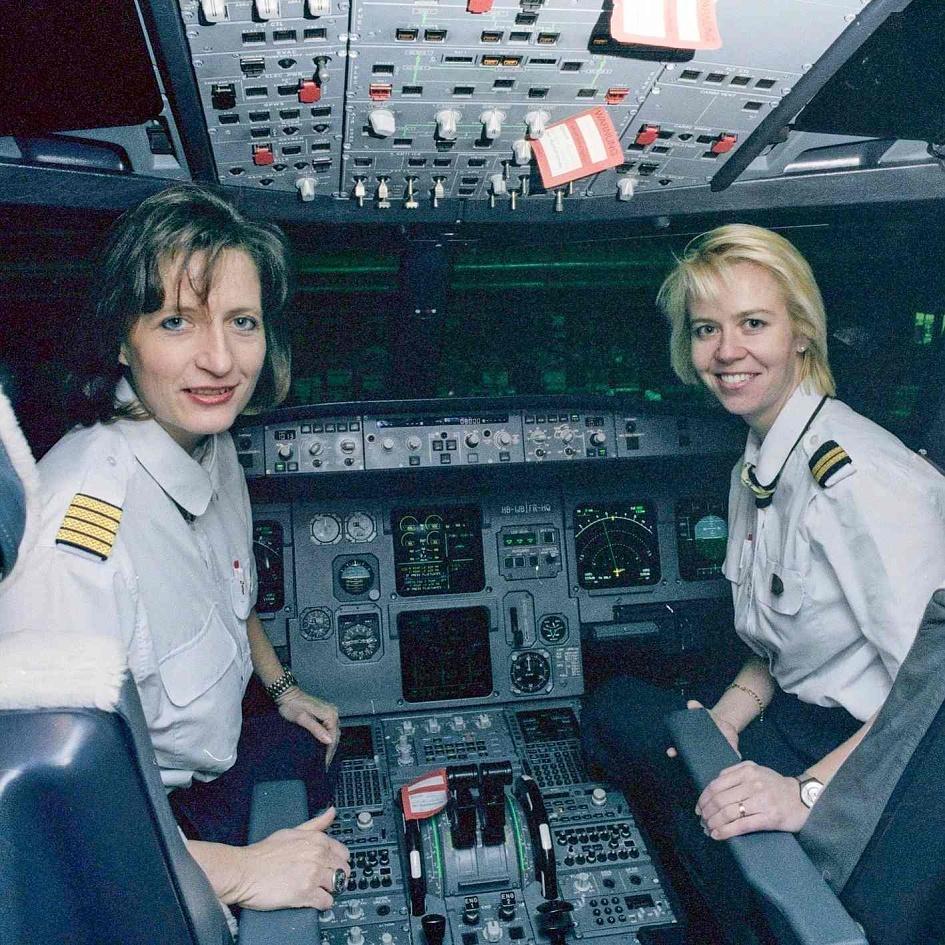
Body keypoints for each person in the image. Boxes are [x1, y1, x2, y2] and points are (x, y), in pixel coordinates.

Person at [582, 223, 945, 936]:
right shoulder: (761, 460)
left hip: (877, 761)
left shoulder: (859, 478)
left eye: (753, 324)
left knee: (739, 879)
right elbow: (783, 644)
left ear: (801, 333)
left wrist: (803, 793)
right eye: (706, 329)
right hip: (797, 719)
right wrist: (726, 716)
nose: (726, 351)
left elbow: (928, 700)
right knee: (614, 713)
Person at [0, 184, 350, 912]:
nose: (220, 360)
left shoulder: (207, 442)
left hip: (215, 761)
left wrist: (281, 689)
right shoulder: (79, 539)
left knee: (314, 749)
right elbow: (54, 827)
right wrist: (245, 872)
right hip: (140, 821)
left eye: (242, 322)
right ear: (120, 339)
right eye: (175, 322)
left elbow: (229, 593)